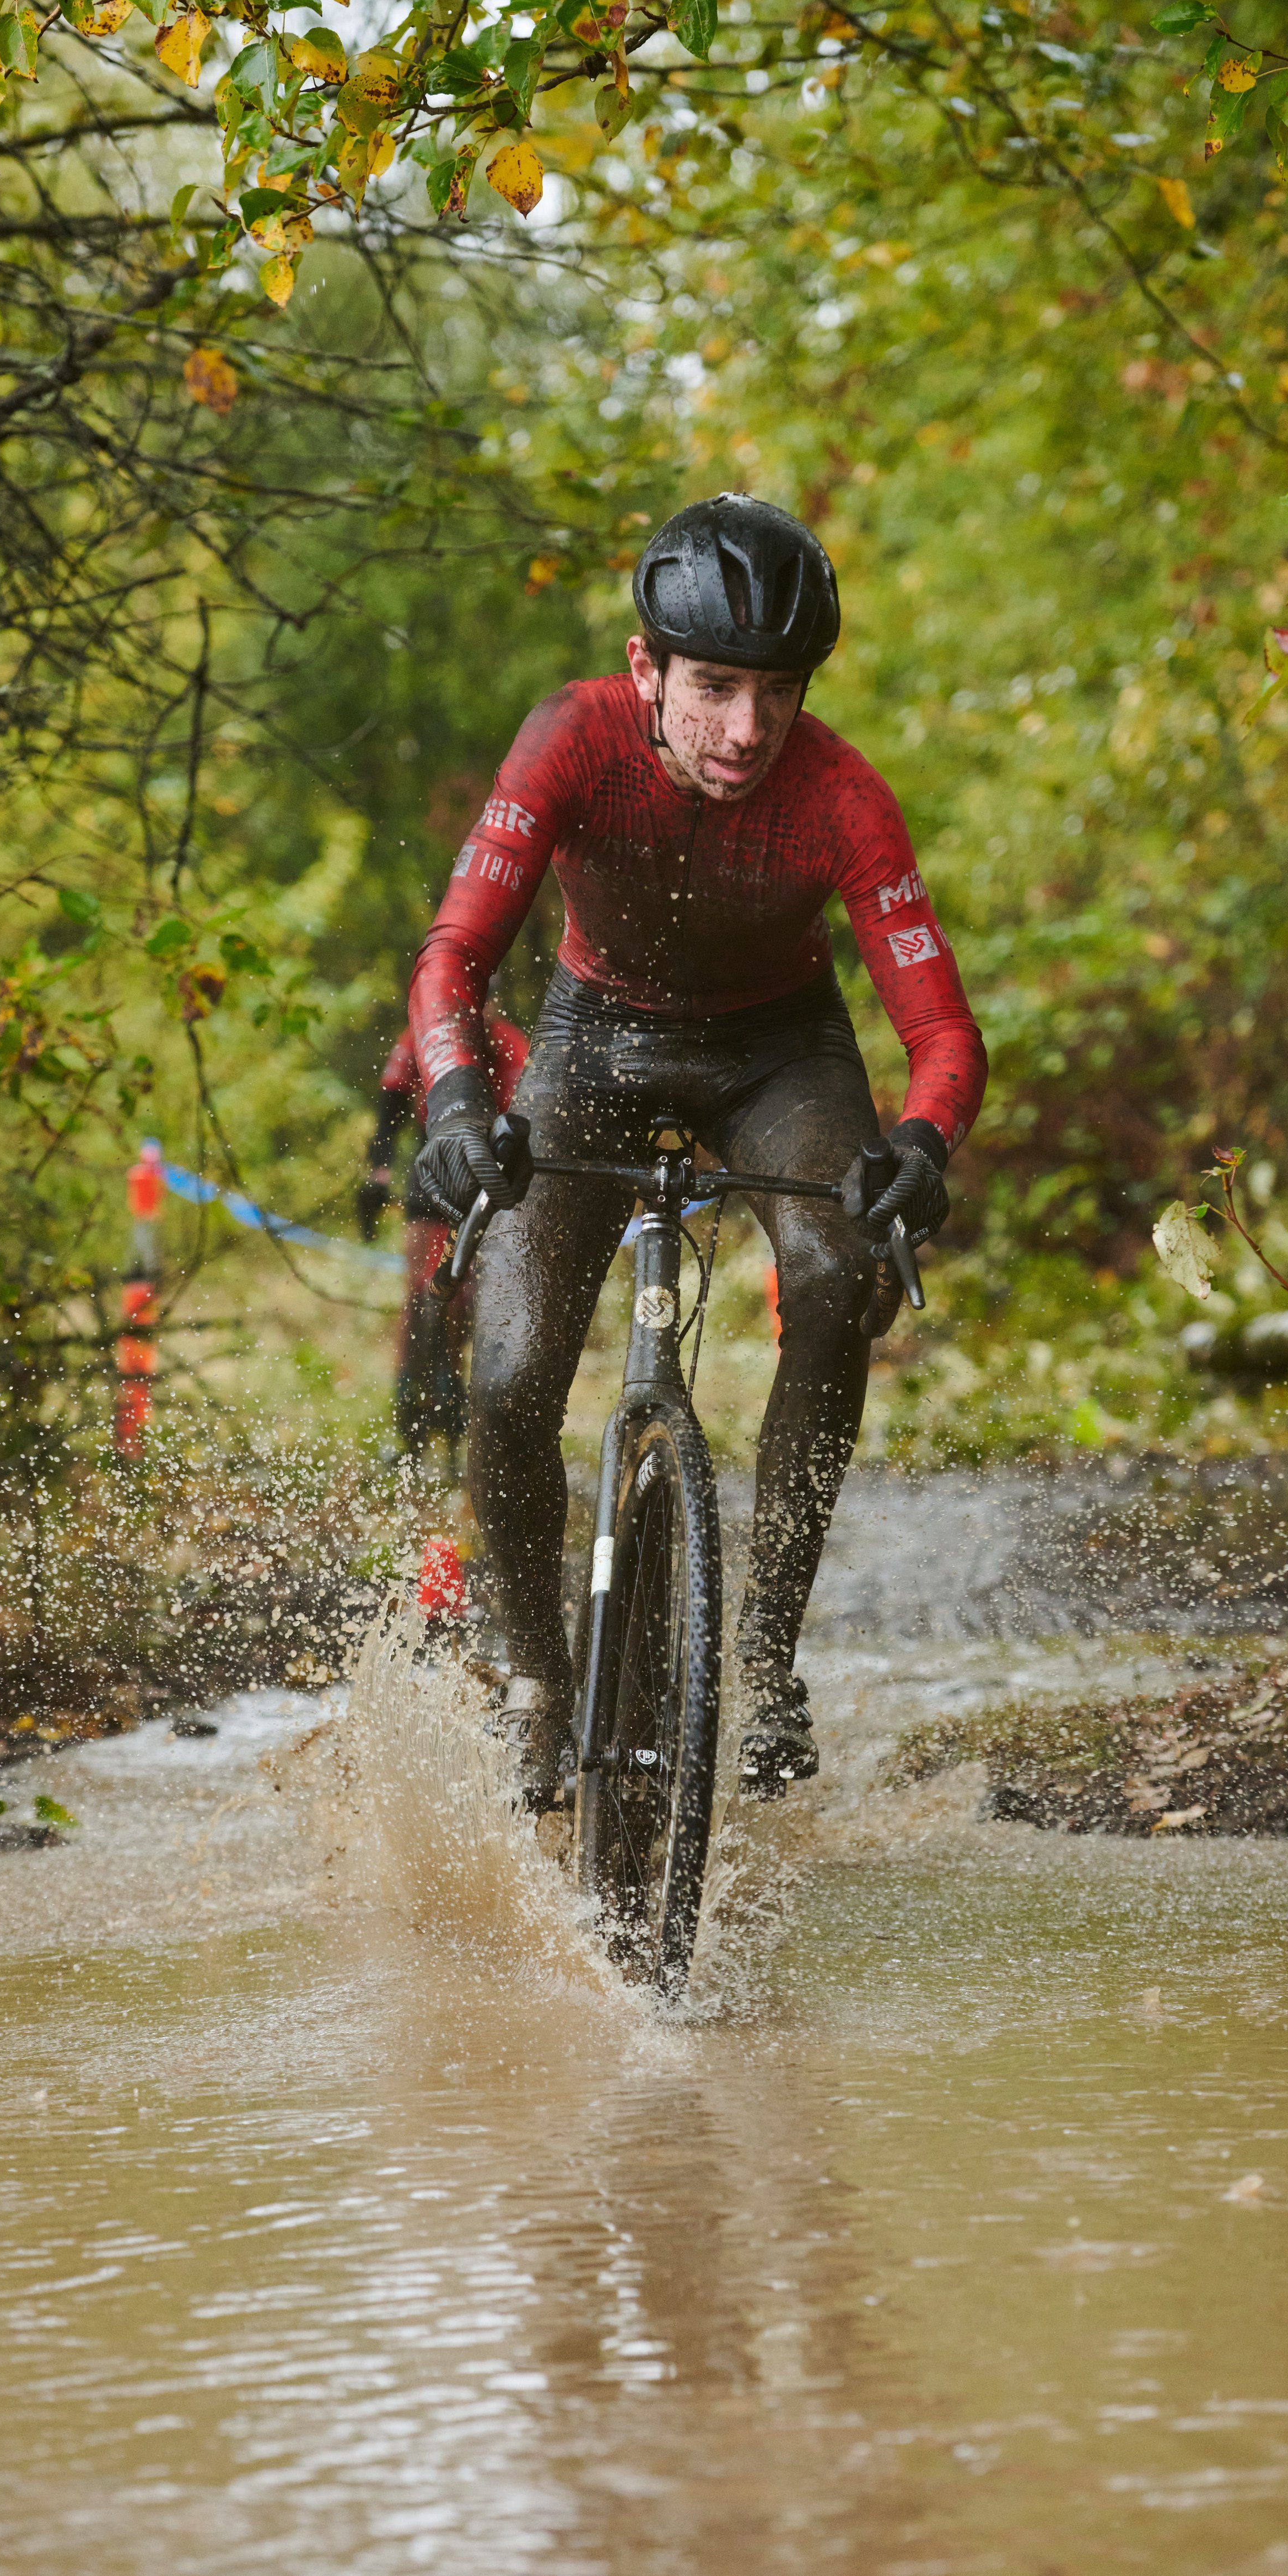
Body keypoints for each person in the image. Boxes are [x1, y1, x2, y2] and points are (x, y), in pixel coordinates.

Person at [406, 494, 987, 1806]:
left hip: (777, 1052)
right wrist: (455, 1105)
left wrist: (920, 1142)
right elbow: (453, 955)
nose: (745, 730)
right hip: (593, 1039)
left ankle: (767, 1654)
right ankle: (536, 1677)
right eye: (715, 687)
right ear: (646, 668)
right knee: (509, 1375)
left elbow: (942, 1028)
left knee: (838, 1272)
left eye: (777, 693)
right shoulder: (571, 738)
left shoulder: (842, 795)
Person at [357, 1003, 529, 1459]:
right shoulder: (423, 1035)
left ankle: (456, 1404)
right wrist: (376, 1174)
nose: (475, 1011)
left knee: (467, 1298)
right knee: (420, 1292)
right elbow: (390, 1110)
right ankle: (406, 1411)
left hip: (493, 1163)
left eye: (484, 1003)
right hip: (434, 1155)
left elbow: (530, 1119)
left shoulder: (509, 1043)